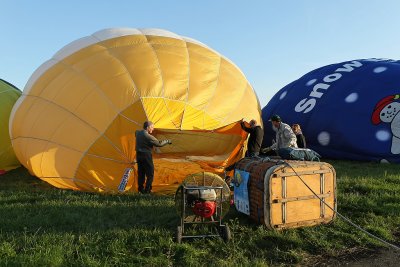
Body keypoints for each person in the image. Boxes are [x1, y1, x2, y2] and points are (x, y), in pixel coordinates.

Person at [135, 121, 172, 194]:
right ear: (148, 127)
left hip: (138, 155)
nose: (153, 129)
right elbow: (159, 144)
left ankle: (140, 189)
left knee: (141, 172)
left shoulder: (137, 133)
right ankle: (147, 190)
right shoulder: (147, 136)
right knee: (150, 173)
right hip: (146, 155)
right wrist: (168, 141)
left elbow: (136, 132)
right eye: (152, 127)